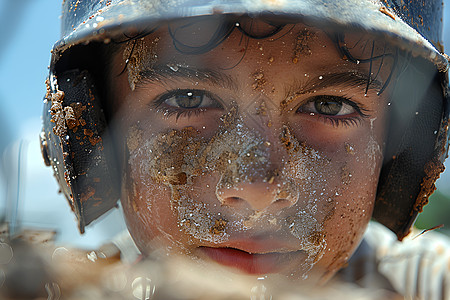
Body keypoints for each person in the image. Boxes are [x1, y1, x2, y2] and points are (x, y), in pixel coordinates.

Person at [39, 0, 449, 298]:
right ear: (94, 125)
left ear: (398, 148)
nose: (258, 189)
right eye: (188, 99)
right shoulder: (67, 288)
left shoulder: (426, 284)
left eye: (329, 106)